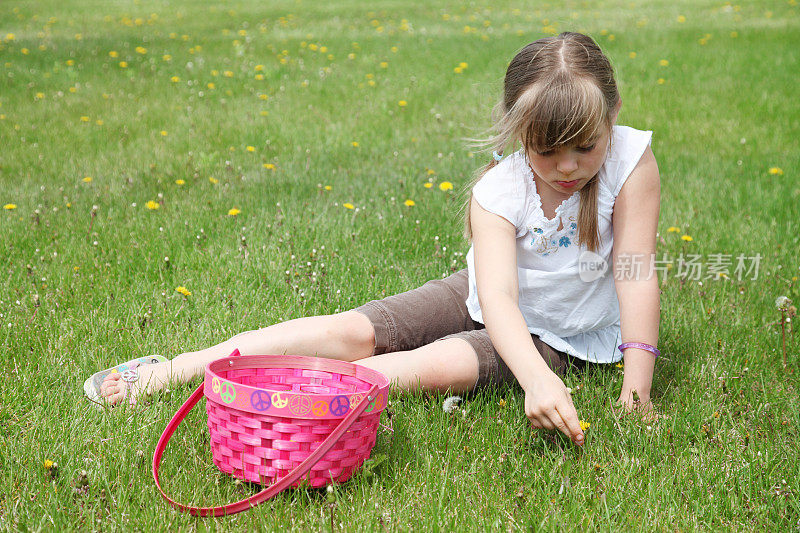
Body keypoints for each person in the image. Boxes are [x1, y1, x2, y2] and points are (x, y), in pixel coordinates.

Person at [90, 32, 661, 447]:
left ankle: (284, 400)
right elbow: (499, 300)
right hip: (491, 296)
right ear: (517, 132)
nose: (568, 167)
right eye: (546, 151)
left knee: (427, 368)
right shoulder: (501, 190)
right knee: (352, 330)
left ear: (612, 114)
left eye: (585, 147)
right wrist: (535, 382)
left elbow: (634, 271)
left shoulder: (631, 162)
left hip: (565, 332)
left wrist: (635, 395)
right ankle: (180, 369)